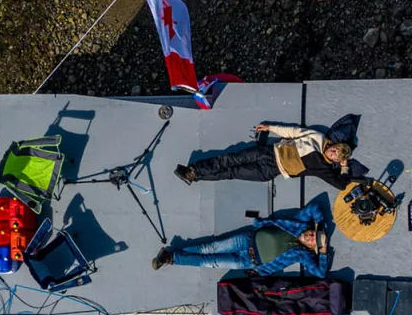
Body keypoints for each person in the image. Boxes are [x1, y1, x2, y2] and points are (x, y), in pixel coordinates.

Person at [174, 114, 367, 189]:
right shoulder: (318, 137)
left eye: (336, 155)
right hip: (269, 152)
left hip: (271, 171)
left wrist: (343, 166)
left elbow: (342, 184)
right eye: (334, 149)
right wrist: (271, 127)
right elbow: (294, 131)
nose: (332, 152)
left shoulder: (324, 168)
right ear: (334, 145)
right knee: (230, 159)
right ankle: (194, 170)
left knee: (231, 173)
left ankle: (195, 177)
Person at [152, 200, 332, 277]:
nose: (310, 237)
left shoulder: (303, 255)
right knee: (210, 247)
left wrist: (322, 253)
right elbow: (314, 208)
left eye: (313, 241)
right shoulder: (300, 223)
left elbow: (320, 273)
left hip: (249, 261)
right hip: (247, 240)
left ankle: (171, 258)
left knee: (211, 262)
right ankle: (171, 255)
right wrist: (321, 225)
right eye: (313, 234)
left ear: (311, 247)